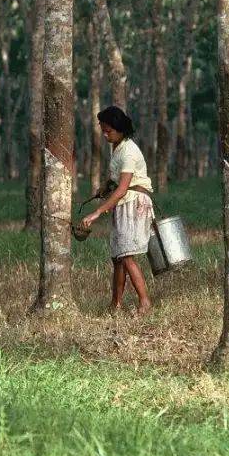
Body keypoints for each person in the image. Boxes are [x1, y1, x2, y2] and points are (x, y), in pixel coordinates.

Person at [80, 105, 155, 315]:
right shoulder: (118, 148)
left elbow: (123, 189)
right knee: (118, 257)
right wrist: (105, 186)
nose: (105, 134)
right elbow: (117, 180)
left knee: (127, 256)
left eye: (108, 131)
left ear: (120, 129)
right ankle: (116, 304)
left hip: (134, 203)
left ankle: (145, 302)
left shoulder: (129, 151)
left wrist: (97, 212)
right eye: (103, 130)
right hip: (124, 203)